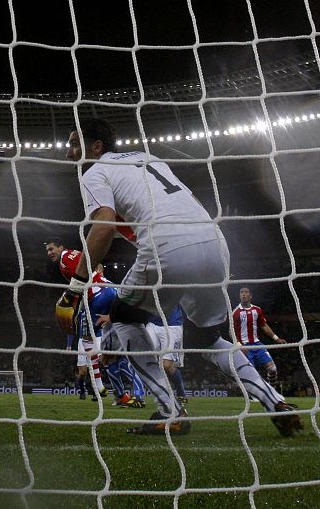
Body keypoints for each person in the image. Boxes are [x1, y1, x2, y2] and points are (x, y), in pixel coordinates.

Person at [58, 118, 301, 436]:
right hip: (214, 244)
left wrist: (75, 289)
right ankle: (275, 402)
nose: (69, 153)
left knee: (122, 320)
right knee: (209, 338)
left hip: (167, 247)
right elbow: (184, 202)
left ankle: (170, 411)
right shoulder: (147, 158)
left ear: (96, 147)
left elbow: (103, 226)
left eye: (75, 144)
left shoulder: (94, 172)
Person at [47, 241, 108, 400]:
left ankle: (99, 386)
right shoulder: (74, 254)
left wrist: (68, 298)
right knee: (86, 367)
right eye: (47, 250)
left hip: (96, 298)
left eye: (51, 249)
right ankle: (90, 389)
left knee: (95, 350)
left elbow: (78, 285)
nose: (49, 253)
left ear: (61, 247)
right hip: (107, 290)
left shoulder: (64, 261)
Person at [232, 287, 287, 387]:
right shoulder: (235, 312)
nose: (243, 294)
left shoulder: (257, 310)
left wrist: (276, 338)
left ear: (251, 295)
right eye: (241, 292)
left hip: (257, 345)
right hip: (244, 346)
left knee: (272, 369)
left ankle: (272, 391)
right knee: (251, 374)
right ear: (239, 296)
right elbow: (231, 332)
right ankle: (253, 395)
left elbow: (263, 326)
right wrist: (239, 345)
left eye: (246, 292)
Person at [146, 304, 189, 405]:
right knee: (141, 356)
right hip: (152, 323)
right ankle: (138, 396)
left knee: (167, 365)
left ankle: (181, 393)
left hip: (172, 325)